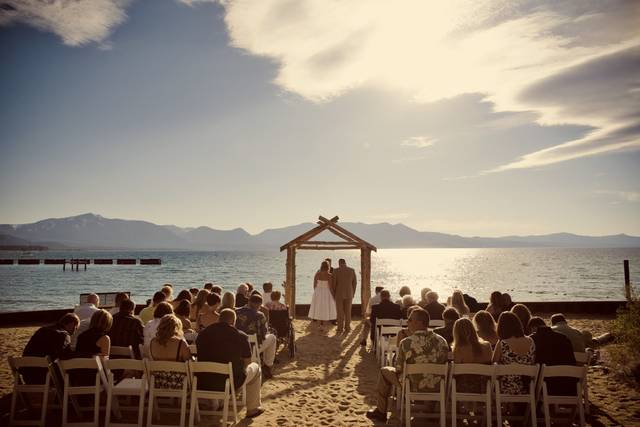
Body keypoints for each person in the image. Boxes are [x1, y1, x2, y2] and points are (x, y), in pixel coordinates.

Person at [366, 309, 449, 422]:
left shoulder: (406, 343)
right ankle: (429, 409)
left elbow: (399, 368)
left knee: (384, 371)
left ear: (419, 322)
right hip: (437, 386)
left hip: (412, 386)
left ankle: (381, 411)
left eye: (410, 319)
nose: (407, 322)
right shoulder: (442, 341)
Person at [197, 309, 264, 418]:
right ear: (233, 321)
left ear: (219, 319)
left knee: (216, 370)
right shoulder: (240, 336)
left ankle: (216, 401)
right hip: (231, 381)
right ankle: (253, 409)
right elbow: (247, 362)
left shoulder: (202, 334)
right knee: (255, 368)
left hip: (204, 381)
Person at [22, 313, 79, 383]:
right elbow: (65, 357)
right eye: (76, 328)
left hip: (27, 375)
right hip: (44, 377)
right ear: (72, 324)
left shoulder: (42, 330)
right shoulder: (63, 335)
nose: (74, 332)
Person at [528, 317, 577, 395]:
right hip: (569, 388)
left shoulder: (532, 340)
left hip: (546, 389)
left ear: (533, 328)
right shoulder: (563, 338)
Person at [492, 311, 536, 395]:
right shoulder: (531, 341)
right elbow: (532, 362)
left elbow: (494, 364)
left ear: (501, 327)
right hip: (527, 388)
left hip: (506, 388)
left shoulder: (502, 343)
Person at [236, 294, 277, 378]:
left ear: (248, 301)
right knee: (272, 337)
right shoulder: (260, 315)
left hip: (238, 346)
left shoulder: (236, 312)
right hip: (253, 348)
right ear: (259, 304)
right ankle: (267, 365)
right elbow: (264, 333)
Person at [148, 314, 192, 389]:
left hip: (158, 383)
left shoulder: (152, 342)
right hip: (178, 383)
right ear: (176, 327)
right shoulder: (181, 343)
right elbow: (189, 363)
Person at [452, 318, 493, 393]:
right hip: (484, 387)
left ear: (456, 333)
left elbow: (456, 372)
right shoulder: (487, 346)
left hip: (465, 388)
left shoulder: (458, 350)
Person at [308, 260, 337, 326]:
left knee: (318, 308)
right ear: (328, 267)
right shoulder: (329, 275)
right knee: (325, 308)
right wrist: (333, 295)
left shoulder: (317, 274)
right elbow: (330, 287)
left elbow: (314, 285)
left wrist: (316, 292)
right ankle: (323, 325)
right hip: (326, 292)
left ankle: (319, 325)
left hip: (318, 292)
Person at [333, 259, 357, 333]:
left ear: (339, 263)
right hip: (349, 293)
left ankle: (340, 328)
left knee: (339, 312)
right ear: (345, 263)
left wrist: (334, 293)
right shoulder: (352, 270)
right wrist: (353, 292)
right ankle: (347, 327)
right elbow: (355, 283)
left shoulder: (336, 270)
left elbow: (334, 283)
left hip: (339, 294)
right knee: (348, 312)